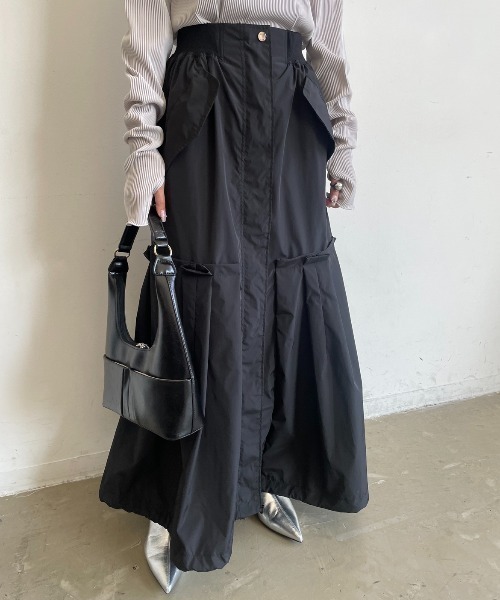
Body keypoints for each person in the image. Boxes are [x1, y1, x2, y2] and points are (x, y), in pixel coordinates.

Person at [99, 0, 369, 593]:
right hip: (205, 98)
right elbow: (146, 39)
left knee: (288, 288)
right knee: (199, 293)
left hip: (291, 104)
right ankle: (174, 496)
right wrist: (144, 149)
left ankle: (266, 469)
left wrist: (343, 139)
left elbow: (327, 39)